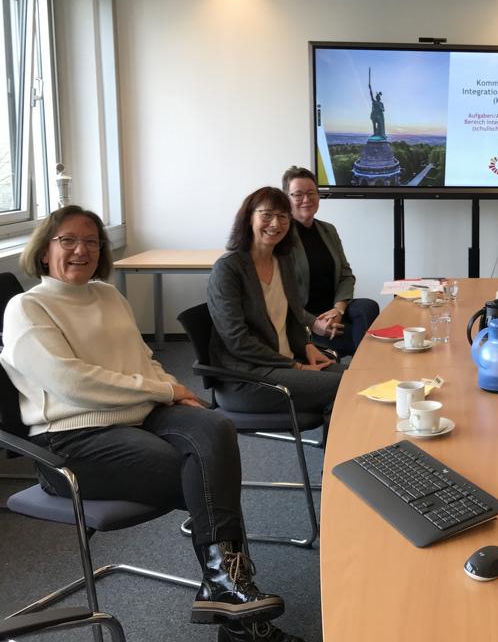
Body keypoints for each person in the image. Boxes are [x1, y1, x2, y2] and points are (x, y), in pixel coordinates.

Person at [0, 205, 302, 642]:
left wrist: (174, 389)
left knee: (215, 429)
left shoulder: (109, 295)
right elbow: (72, 384)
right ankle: (240, 616)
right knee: (203, 471)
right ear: (45, 251)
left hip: (140, 416)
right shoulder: (27, 308)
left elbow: (143, 359)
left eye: (91, 241)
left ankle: (227, 587)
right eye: (68, 240)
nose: (81, 249)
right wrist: (165, 392)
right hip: (69, 440)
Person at [207, 187, 344, 425]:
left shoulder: (283, 261)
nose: (275, 223)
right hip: (247, 378)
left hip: (286, 362)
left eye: (283, 216)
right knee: (347, 388)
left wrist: (307, 345)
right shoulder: (228, 269)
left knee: (358, 379)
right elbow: (237, 340)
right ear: (249, 217)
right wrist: (295, 366)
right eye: (267, 215)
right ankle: (339, 459)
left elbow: (292, 315)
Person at [281, 166, 379, 358]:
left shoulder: (328, 230)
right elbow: (280, 295)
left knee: (368, 307)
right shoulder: (281, 236)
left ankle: (359, 362)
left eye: (311, 193)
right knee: (366, 340)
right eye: (298, 194)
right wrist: (313, 322)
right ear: (286, 199)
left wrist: (338, 309)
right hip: (303, 316)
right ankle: (363, 364)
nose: (306, 200)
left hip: (334, 310)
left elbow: (345, 274)